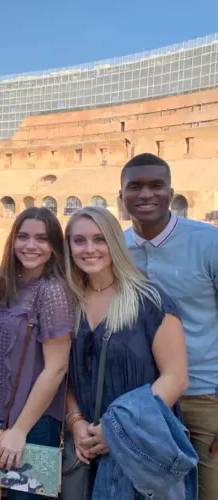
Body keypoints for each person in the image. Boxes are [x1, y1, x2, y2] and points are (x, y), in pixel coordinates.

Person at [64, 206, 190, 497]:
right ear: (69, 246)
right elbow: (63, 372)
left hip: (139, 447)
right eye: (79, 240)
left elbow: (176, 377)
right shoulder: (67, 302)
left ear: (115, 243)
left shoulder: (150, 300)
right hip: (84, 448)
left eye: (99, 239)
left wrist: (119, 430)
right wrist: (76, 421)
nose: (89, 249)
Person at [120, 153, 218, 499]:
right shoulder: (116, 248)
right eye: (135, 186)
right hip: (144, 399)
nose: (145, 194)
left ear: (170, 192)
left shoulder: (208, 243)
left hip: (204, 397)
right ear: (121, 197)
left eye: (155, 185)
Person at [0, 207, 74, 499]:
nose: (31, 245)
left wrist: (20, 430)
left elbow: (57, 368)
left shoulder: (53, 291)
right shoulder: (7, 284)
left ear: (54, 245)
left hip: (35, 425)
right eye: (23, 237)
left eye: (42, 239)